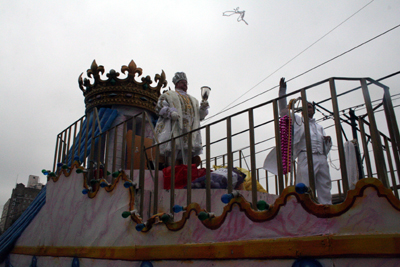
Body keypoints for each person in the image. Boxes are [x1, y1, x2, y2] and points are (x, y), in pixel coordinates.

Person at [264, 78, 332, 204]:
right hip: (306, 155)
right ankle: (304, 206)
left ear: (314, 110)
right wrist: (282, 92)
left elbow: (325, 145)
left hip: (321, 157)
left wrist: (327, 142)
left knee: (325, 183)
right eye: (306, 107)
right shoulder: (298, 120)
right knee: (304, 183)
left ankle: (326, 206)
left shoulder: (319, 127)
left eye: (311, 107)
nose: (309, 109)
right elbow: (283, 111)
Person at [154, 72, 209, 166]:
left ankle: (186, 172)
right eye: (182, 82)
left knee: (188, 153)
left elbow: (200, 116)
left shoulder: (194, 100)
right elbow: (159, 107)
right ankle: (170, 170)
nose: (184, 84)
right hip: (174, 127)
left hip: (189, 130)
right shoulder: (169, 95)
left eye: (185, 83)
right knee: (173, 150)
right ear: (176, 84)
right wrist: (170, 113)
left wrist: (203, 107)